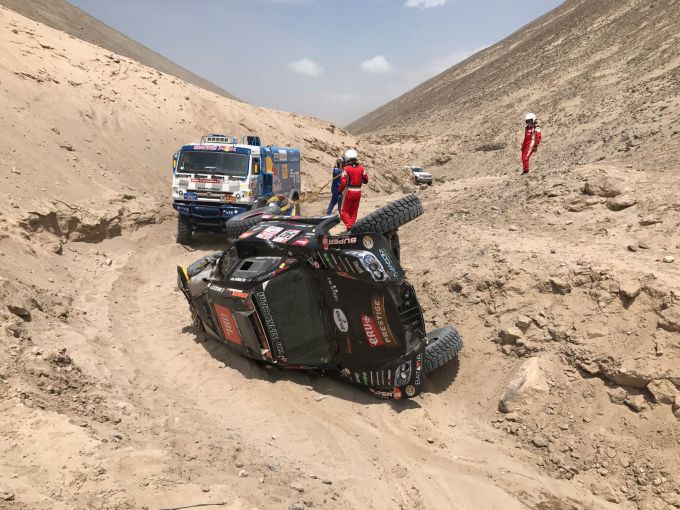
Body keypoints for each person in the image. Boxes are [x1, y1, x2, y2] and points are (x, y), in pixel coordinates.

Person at [338, 149, 368, 229]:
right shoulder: (361, 168)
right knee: (354, 211)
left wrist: (339, 191)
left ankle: (349, 226)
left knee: (344, 211)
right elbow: (366, 180)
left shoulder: (346, 169)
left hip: (349, 191)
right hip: (358, 191)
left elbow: (343, 182)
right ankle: (352, 227)